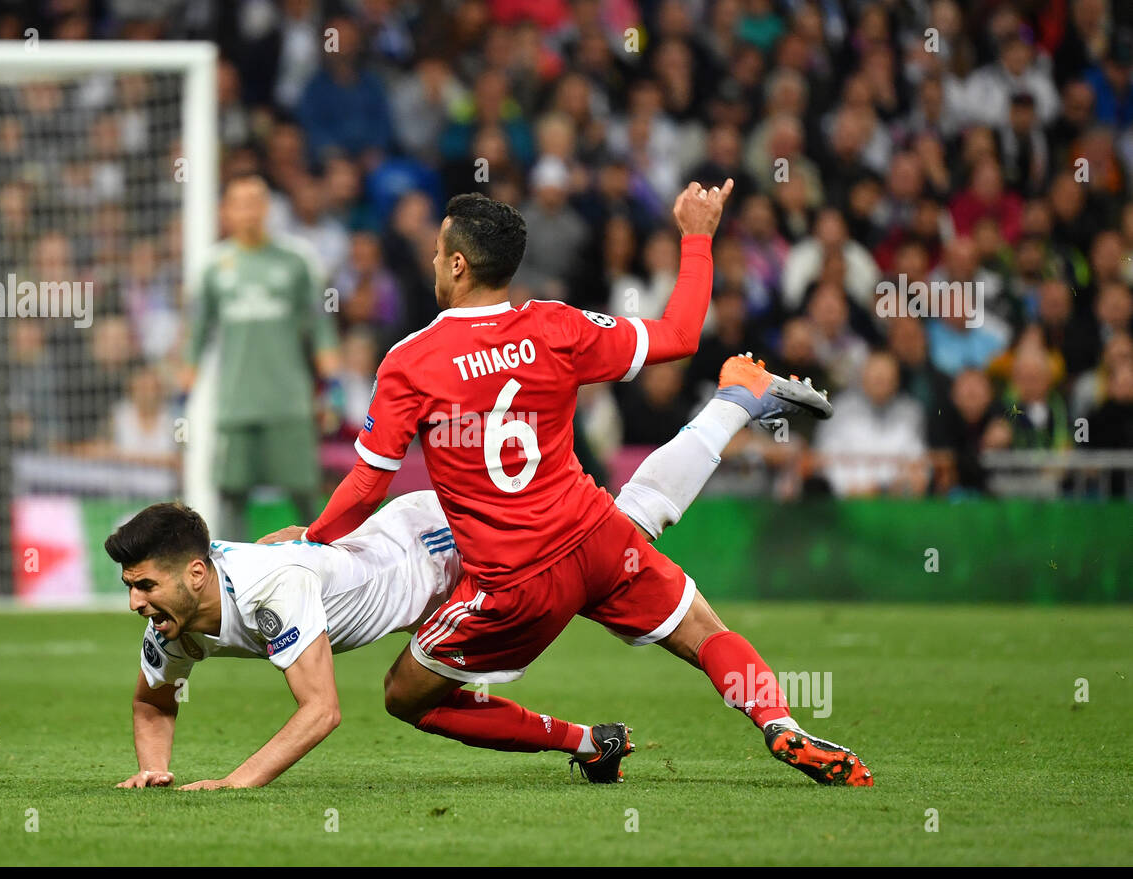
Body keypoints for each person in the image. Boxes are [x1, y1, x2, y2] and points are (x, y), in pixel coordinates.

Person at [296, 187, 873, 787]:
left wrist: (312, 543)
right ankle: (779, 722)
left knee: (404, 695)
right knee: (705, 631)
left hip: (515, 583)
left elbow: (367, 485)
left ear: (458, 264)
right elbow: (679, 335)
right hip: (600, 542)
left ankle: (586, 742)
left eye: (440, 253)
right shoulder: (558, 325)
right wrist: (697, 235)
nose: (435, 262)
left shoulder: (411, 361)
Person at [108, 368, 819, 791]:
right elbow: (152, 704)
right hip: (406, 546)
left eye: (144, 586)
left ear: (197, 575)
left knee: (618, 541)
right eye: (133, 588)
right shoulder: (174, 618)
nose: (136, 603)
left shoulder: (271, 588)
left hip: (435, 543)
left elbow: (320, 711)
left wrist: (237, 781)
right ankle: (591, 744)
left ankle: (731, 400)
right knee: (624, 535)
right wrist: (155, 770)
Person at [187, 173, 340, 540]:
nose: (248, 211)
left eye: (255, 202)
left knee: (304, 493)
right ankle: (229, 580)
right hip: (236, 405)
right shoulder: (212, 267)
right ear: (226, 211)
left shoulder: (296, 260)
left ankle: (325, 568)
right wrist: (184, 391)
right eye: (239, 203)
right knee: (230, 496)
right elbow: (196, 333)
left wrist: (331, 388)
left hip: (288, 402)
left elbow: (320, 326)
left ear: (267, 207)